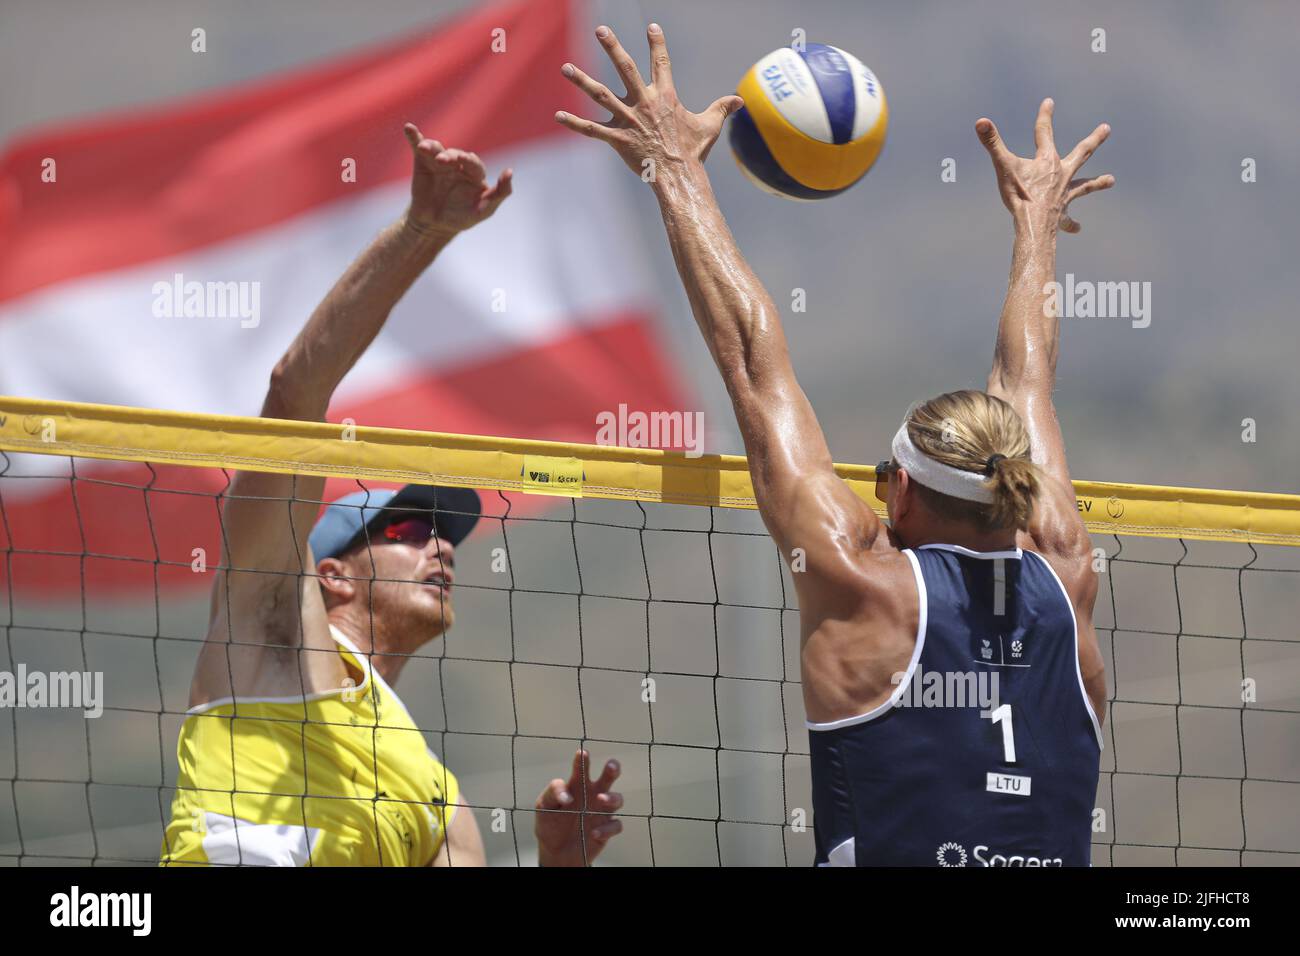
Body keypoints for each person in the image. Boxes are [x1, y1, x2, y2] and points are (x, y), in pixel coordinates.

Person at [557, 23, 1111, 866]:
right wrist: (1038, 224)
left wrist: (673, 169)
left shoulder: (862, 581)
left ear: (901, 491)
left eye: (885, 477)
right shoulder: (1068, 577)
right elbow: (1027, 385)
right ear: (1018, 491)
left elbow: (753, 361)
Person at [161, 124, 623, 866]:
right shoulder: (272, 630)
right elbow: (294, 391)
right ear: (331, 573)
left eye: (440, 535)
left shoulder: (438, 796)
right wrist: (422, 231)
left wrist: (558, 861)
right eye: (406, 529)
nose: (440, 545)